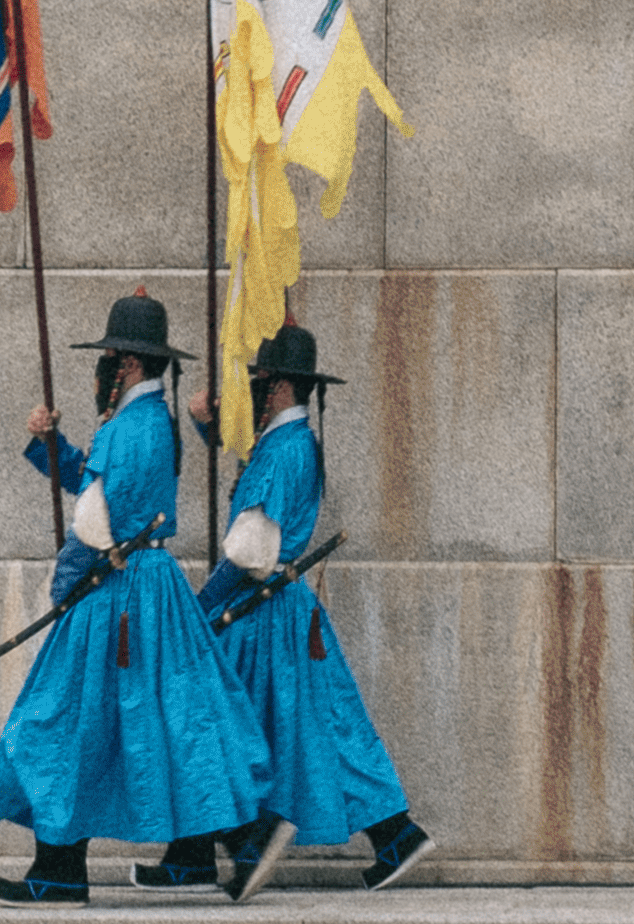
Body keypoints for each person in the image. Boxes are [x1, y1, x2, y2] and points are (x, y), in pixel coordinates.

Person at [0, 294, 288, 910]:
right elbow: (100, 489)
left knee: (57, 720)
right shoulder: (150, 420)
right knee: (166, 717)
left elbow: (96, 522)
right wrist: (53, 447)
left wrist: (68, 587)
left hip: (116, 592)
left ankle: (60, 870)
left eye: (107, 360)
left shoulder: (130, 426)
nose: (100, 370)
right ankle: (216, 845)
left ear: (125, 364)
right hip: (147, 586)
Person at [160, 327, 428, 895]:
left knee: (218, 721)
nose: (250, 392)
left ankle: (209, 851)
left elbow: (249, 547)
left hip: (260, 613)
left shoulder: (287, 449)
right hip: (277, 614)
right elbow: (240, 461)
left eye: (257, 383)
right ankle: (192, 853)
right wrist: (203, 422)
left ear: (278, 387)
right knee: (303, 728)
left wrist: (200, 609)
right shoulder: (284, 442)